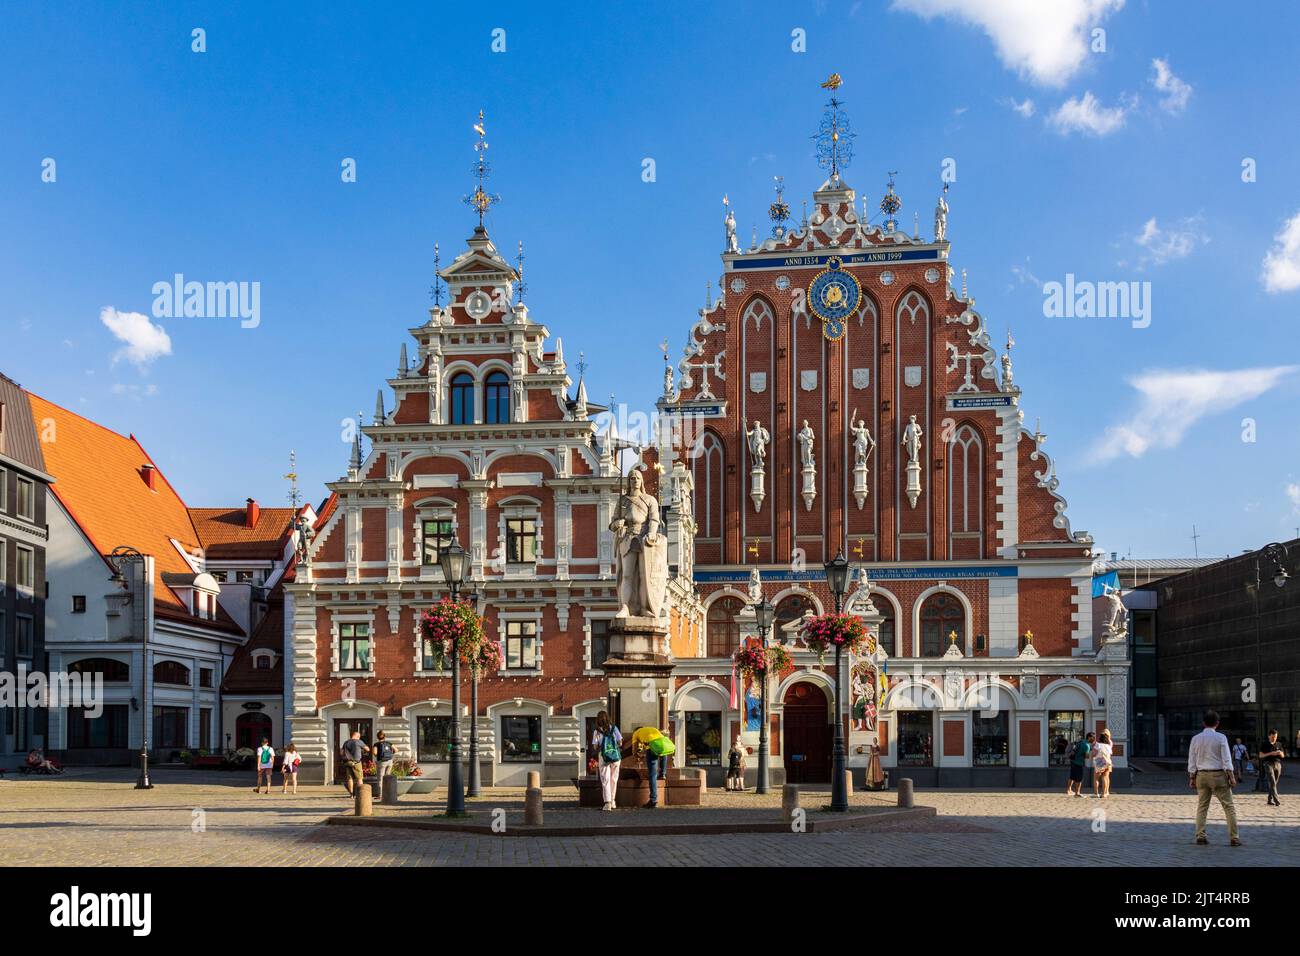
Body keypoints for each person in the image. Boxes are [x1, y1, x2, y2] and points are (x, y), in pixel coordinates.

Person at [1187, 710, 1240, 847]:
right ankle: (1234, 837)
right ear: (1217, 723)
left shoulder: (1195, 738)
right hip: (1218, 776)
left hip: (1201, 775)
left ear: (1203, 723)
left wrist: (1192, 777)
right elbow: (1227, 760)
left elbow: (1192, 761)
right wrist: (1232, 777)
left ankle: (1200, 836)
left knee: (1202, 807)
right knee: (1229, 807)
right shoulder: (1221, 738)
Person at [630, 726, 675, 808]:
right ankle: (663, 774)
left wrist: (638, 756)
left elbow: (634, 751)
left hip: (652, 748)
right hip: (662, 744)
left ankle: (653, 800)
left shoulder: (635, 734)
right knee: (662, 753)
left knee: (652, 775)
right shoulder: (651, 729)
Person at [591, 711, 622, 811]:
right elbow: (620, 742)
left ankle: (607, 803)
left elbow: (595, 746)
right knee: (614, 779)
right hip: (615, 757)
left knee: (606, 780)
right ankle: (613, 801)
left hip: (604, 757)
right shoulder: (614, 728)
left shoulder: (597, 731)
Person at [1259, 729, 1286, 807]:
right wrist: (1271, 753)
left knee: (1274, 783)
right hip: (1268, 764)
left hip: (1278, 764)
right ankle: (1277, 801)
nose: (1274, 738)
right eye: (1273, 737)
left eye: (1275, 737)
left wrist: (1280, 753)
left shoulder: (1279, 744)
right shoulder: (1265, 744)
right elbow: (1261, 755)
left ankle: (1269, 799)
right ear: (1269, 736)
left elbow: (1283, 755)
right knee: (1273, 782)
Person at [339, 730, 369, 796]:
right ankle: (360, 794)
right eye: (359, 737)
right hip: (357, 762)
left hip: (348, 762)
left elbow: (341, 752)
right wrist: (362, 749)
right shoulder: (359, 741)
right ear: (358, 736)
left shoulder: (346, 742)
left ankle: (351, 794)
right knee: (359, 778)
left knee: (350, 779)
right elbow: (367, 749)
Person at [1066, 732, 1093, 797]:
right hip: (1079, 763)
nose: (1094, 739)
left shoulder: (1081, 741)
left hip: (1073, 761)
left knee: (1072, 776)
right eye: (1093, 737)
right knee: (1079, 778)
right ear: (1089, 737)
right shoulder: (1087, 745)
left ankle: (1068, 790)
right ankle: (1077, 793)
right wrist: (1090, 753)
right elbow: (1087, 757)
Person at [1092, 729, 1114, 799]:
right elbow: (1110, 755)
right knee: (1105, 777)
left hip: (1099, 763)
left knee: (1096, 778)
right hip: (1108, 763)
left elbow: (1094, 754)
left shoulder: (1097, 745)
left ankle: (1096, 794)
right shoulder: (1108, 746)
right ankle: (1104, 793)